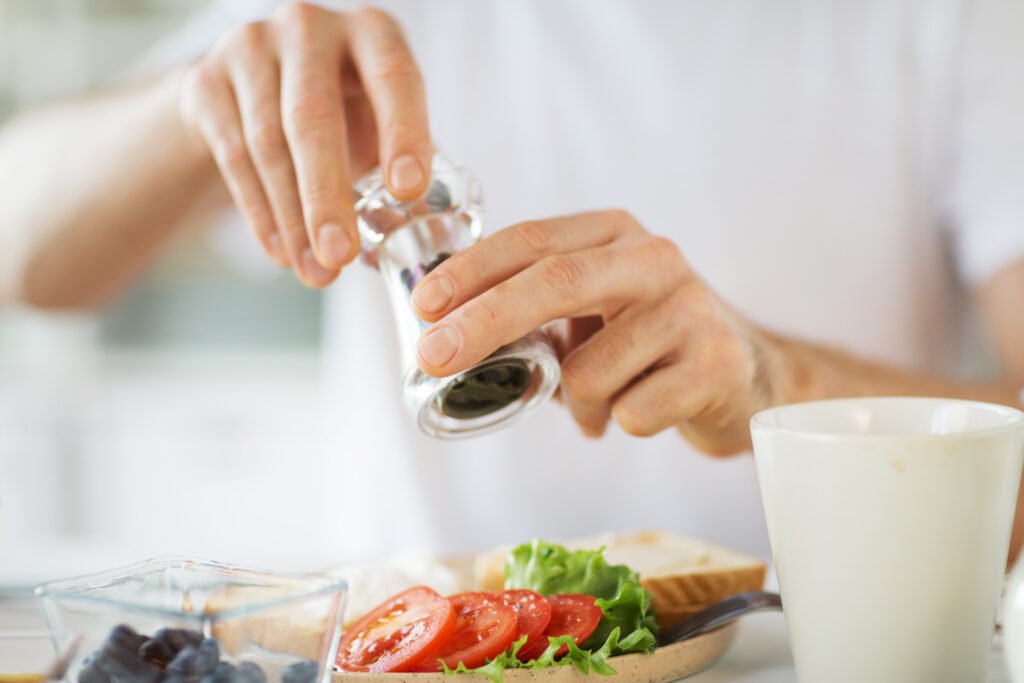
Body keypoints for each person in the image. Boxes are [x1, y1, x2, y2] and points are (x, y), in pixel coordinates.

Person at [1, 0, 1023, 564]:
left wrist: (772, 383)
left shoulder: (956, 20)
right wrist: (193, 108)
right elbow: (23, 247)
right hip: (420, 647)